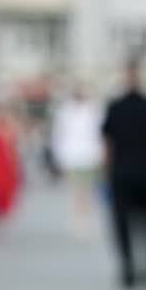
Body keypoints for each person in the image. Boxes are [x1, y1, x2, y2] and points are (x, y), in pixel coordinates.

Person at [101, 60, 146, 288]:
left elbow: (107, 144)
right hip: (141, 172)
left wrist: (107, 172)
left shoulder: (117, 107)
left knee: (133, 222)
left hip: (128, 173)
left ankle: (137, 268)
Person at [52, 86, 103, 239]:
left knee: (87, 189)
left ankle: (87, 217)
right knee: (76, 189)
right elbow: (59, 135)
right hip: (72, 156)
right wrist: (59, 156)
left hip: (90, 155)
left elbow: (99, 133)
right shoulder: (65, 111)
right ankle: (78, 218)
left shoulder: (94, 109)